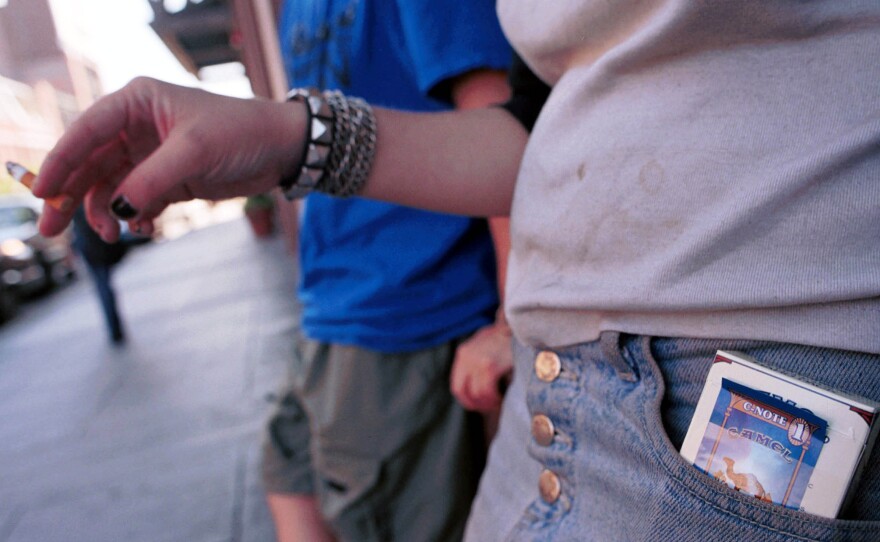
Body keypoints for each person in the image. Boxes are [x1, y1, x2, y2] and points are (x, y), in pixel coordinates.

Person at [31, 2, 880, 540]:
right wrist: (291, 139)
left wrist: (498, 319)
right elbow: (536, 133)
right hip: (561, 374)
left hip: (760, 377)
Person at [259, 1, 512, 541]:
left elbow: (503, 135)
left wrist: (514, 321)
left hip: (409, 315)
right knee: (287, 482)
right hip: (324, 310)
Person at [71, 205, 126, 344]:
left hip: (89, 244)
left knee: (102, 286)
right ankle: (115, 328)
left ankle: (114, 329)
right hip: (98, 240)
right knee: (105, 286)